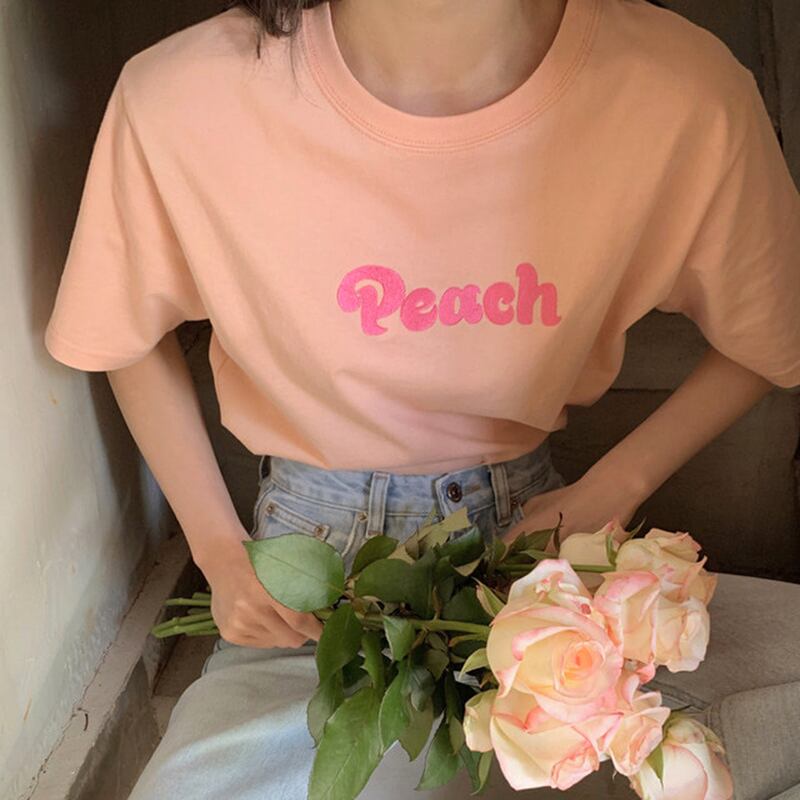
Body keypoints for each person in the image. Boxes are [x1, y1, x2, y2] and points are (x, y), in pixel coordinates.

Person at [43, 1, 800, 798]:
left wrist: (615, 487)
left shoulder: (681, 91)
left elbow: (771, 334)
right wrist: (220, 552)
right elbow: (120, 330)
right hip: (304, 582)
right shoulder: (181, 98)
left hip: (538, 563)